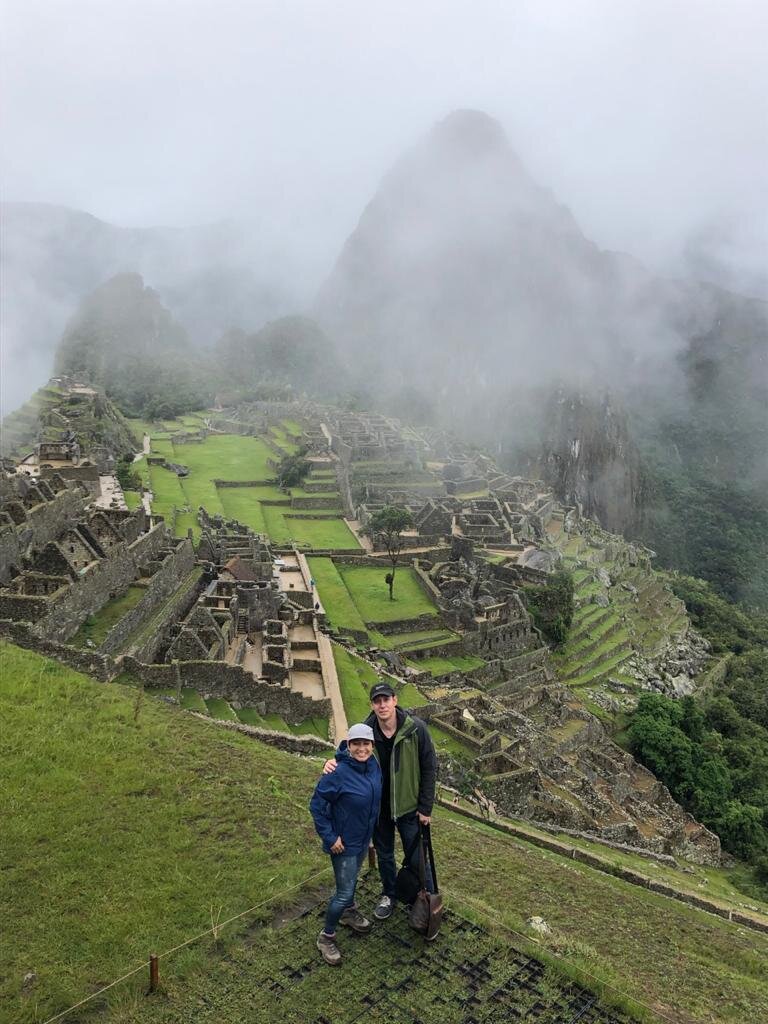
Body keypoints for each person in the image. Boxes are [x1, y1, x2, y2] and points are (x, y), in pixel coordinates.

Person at [324, 681, 438, 921]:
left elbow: (429, 767)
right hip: (378, 810)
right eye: (377, 701)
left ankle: (428, 899)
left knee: (417, 856)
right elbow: (347, 752)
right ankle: (389, 895)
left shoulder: (415, 729)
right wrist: (330, 762)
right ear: (372, 705)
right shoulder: (366, 730)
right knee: (385, 855)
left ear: (395, 700)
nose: (382, 705)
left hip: (409, 808)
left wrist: (425, 807)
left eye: (386, 699)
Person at [310, 722, 382, 966]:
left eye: (366, 743)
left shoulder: (373, 765)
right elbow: (317, 806)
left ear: (372, 745)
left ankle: (349, 914)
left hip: (362, 839)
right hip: (344, 844)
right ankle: (326, 936)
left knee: (351, 884)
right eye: (356, 743)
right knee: (343, 893)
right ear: (348, 745)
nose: (361, 748)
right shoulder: (338, 772)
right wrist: (330, 837)